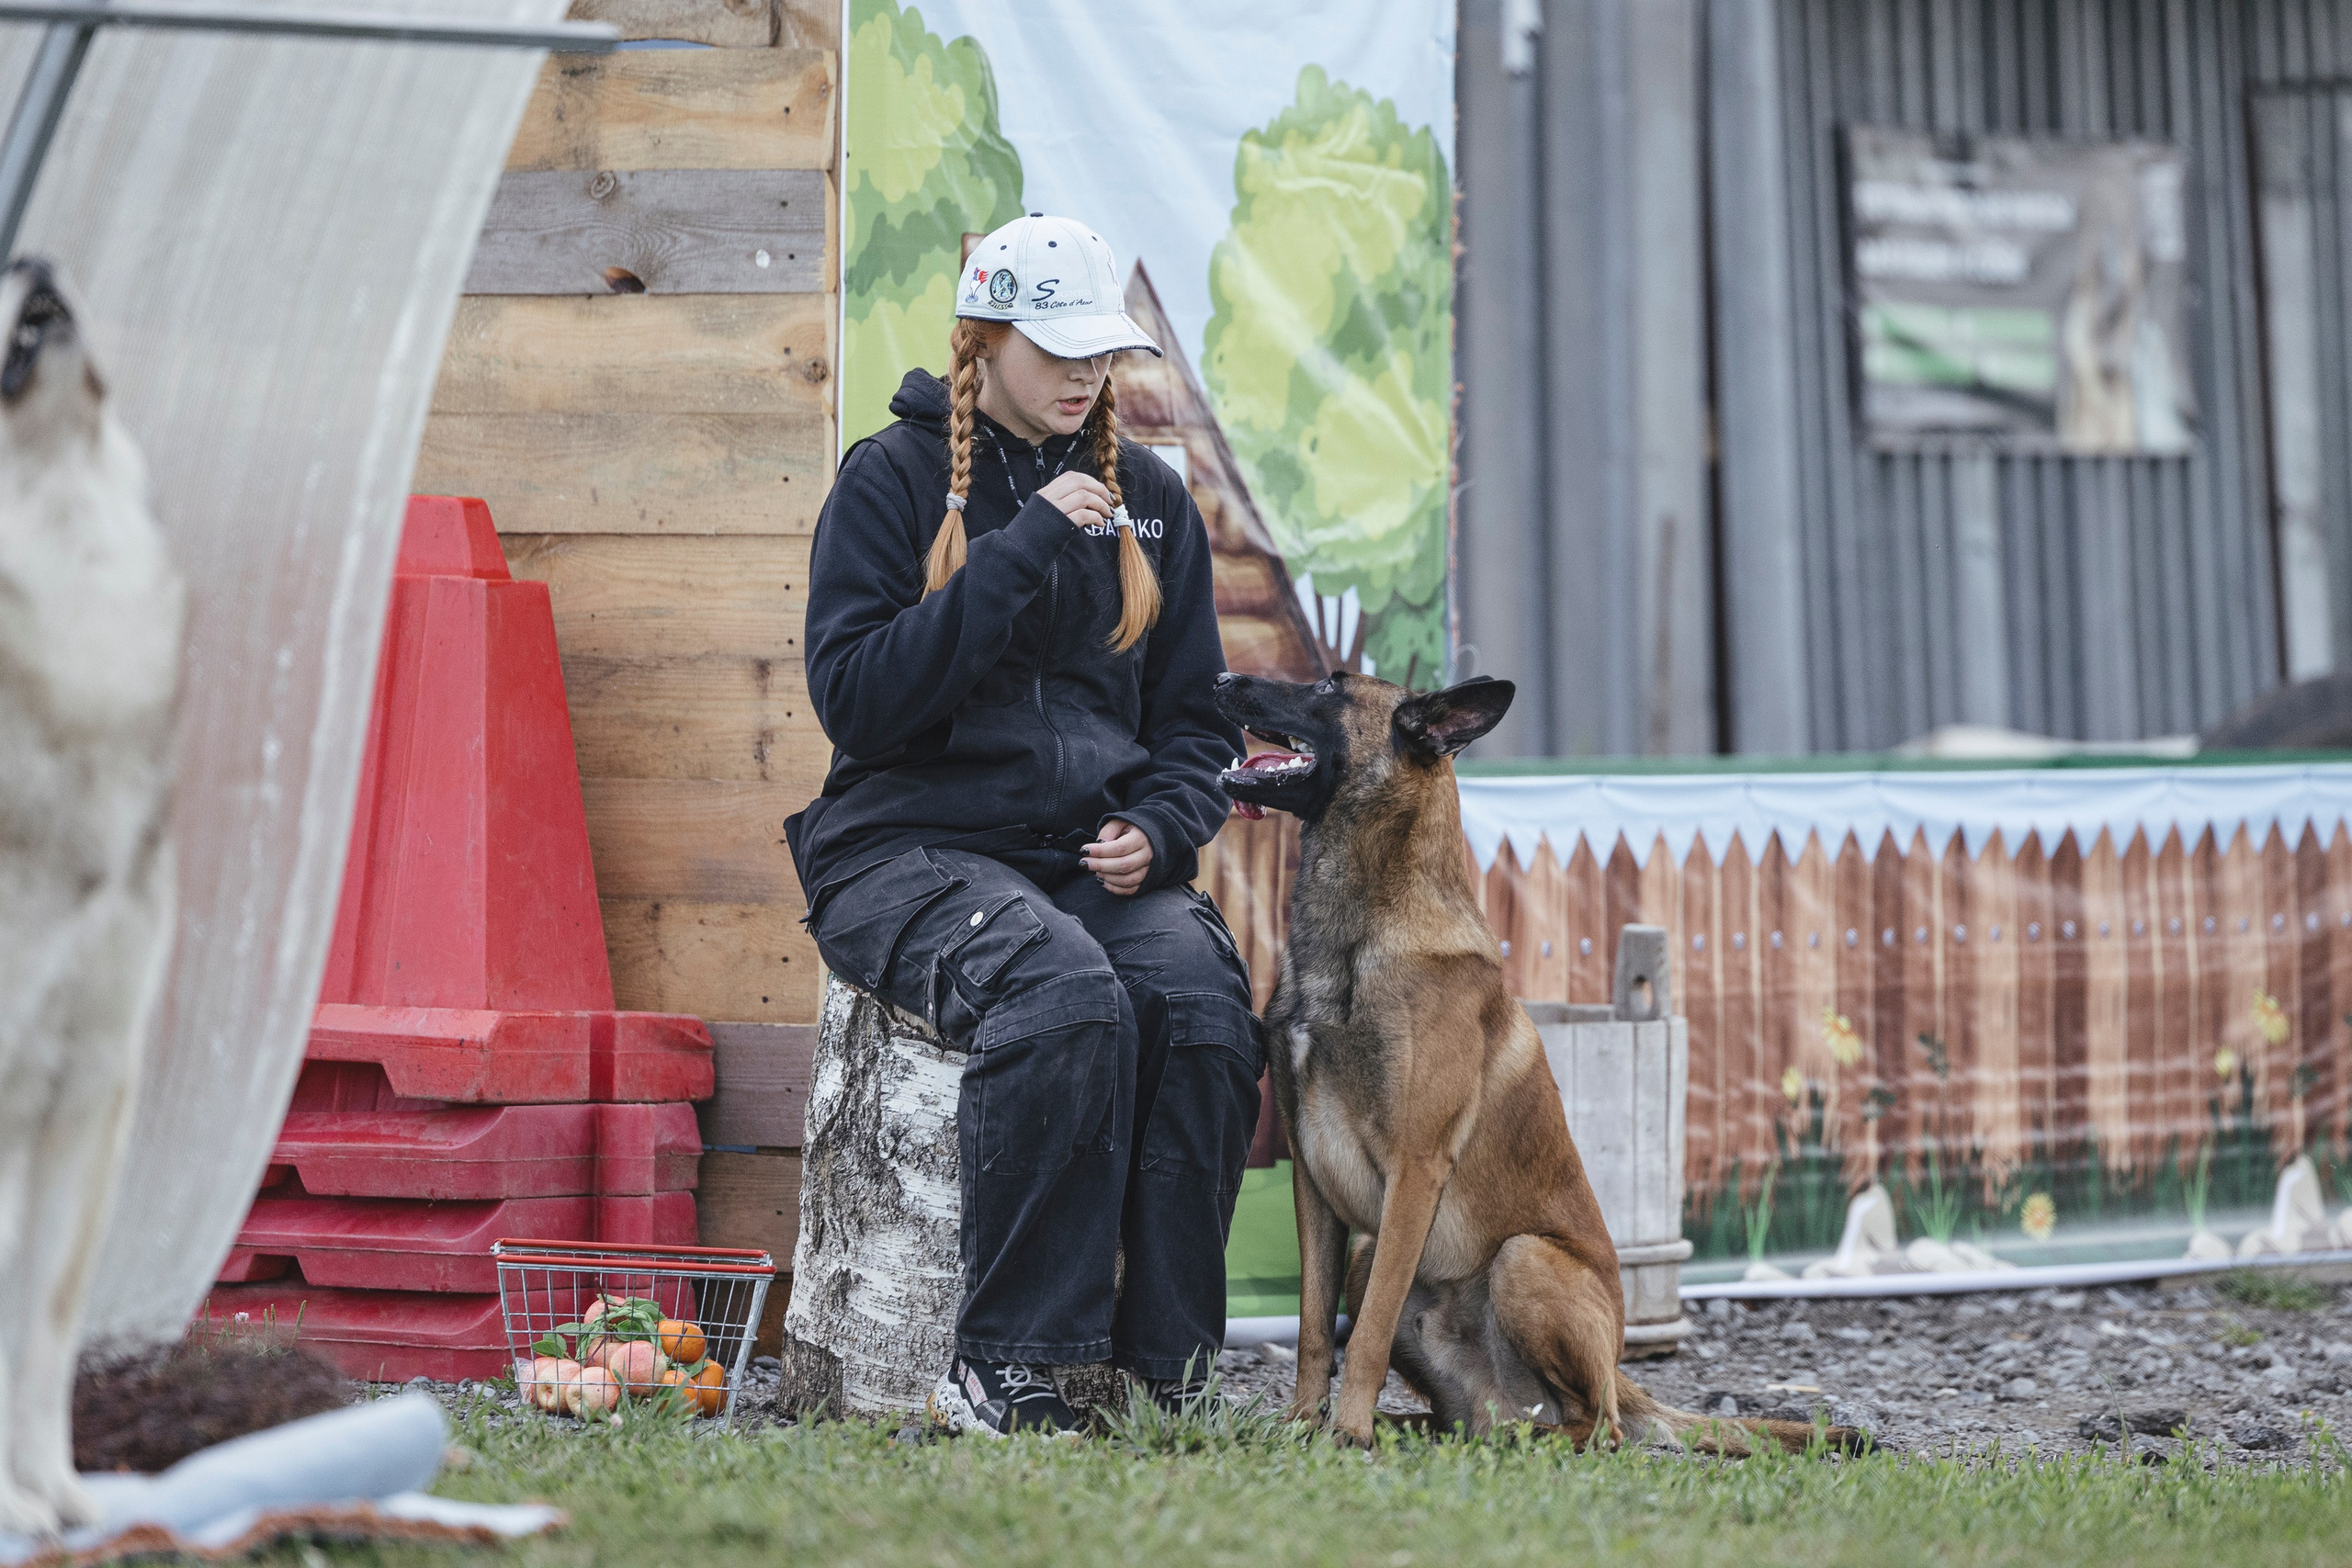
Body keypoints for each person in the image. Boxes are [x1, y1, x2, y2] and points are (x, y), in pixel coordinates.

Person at [786, 213, 1261, 1437]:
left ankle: (1173, 1372)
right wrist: (1025, 543)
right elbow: (858, 698)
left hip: (1082, 867)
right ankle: (1010, 1365)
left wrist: (1160, 827)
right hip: (901, 852)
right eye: (1054, 350)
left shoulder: (1154, 502)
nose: (1083, 375)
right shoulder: (887, 483)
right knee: (1061, 991)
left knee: (1201, 1003)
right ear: (981, 339)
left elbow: (1198, 728)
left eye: (1097, 351)